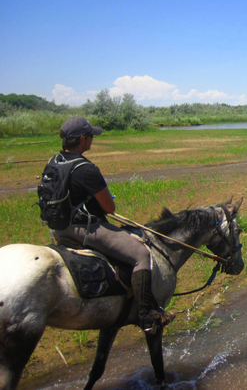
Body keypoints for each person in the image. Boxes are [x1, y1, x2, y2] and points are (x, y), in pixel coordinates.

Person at [50, 116, 173, 333]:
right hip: (84, 230)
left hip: (57, 229)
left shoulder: (54, 161)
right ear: (81, 139)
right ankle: (147, 314)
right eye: (90, 137)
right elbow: (109, 208)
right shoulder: (86, 169)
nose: (92, 140)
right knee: (140, 254)